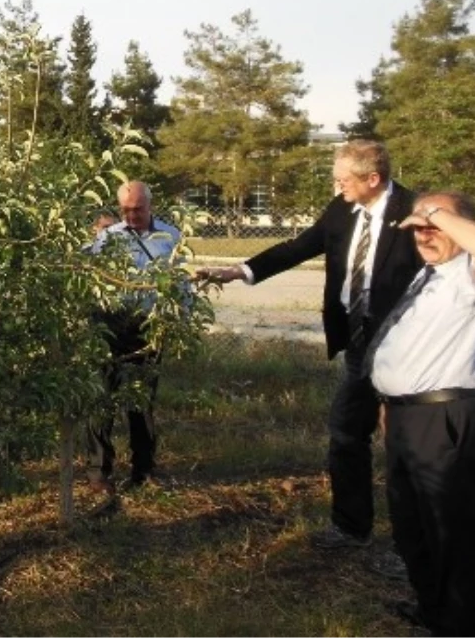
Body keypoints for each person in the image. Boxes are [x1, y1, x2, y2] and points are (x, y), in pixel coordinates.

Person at [197, 140, 421, 557]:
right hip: (358, 344)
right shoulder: (342, 210)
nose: (337, 189)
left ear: (372, 179)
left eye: (343, 180)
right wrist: (239, 270)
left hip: (405, 348)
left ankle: (413, 544)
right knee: (346, 434)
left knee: (405, 446)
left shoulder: (415, 211)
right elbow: (298, 247)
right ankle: (352, 528)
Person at [367, 192, 475, 635]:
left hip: (449, 420)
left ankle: (460, 626)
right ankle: (434, 609)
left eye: (435, 225)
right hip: (409, 419)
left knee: (451, 532)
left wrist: (434, 212)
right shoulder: (431, 275)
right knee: (411, 527)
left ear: (461, 226)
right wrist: (391, 403)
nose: (424, 233)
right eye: (418, 226)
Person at [86, 181, 183, 496]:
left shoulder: (170, 237)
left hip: (148, 328)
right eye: (125, 210)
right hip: (110, 326)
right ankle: (99, 473)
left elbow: (182, 285)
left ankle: (143, 470)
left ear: (150, 206)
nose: (131, 216)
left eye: (137, 209)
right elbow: (89, 278)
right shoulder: (107, 239)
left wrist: (177, 320)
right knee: (102, 399)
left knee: (141, 401)